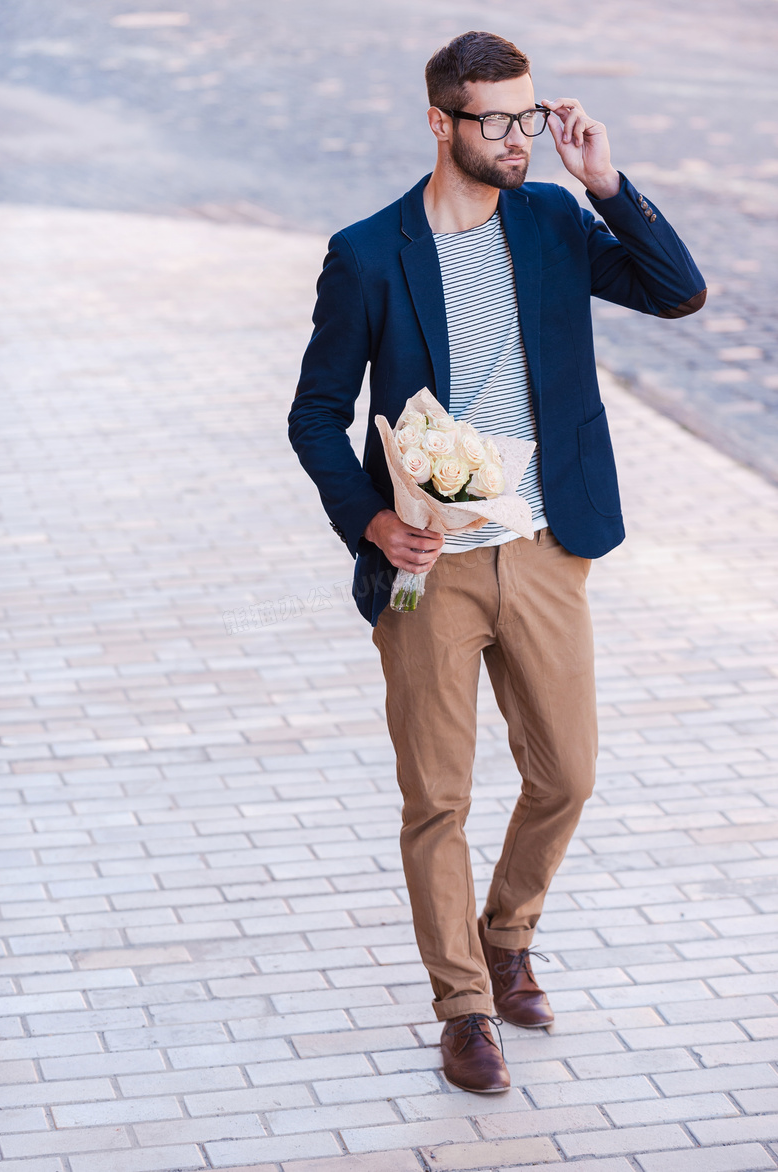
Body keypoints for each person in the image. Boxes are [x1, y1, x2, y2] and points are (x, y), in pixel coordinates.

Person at [288, 30, 705, 1094]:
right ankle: (465, 1002)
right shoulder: (371, 252)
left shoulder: (558, 219)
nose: (522, 138)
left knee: (568, 771)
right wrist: (372, 524)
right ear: (441, 122)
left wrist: (605, 180)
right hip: (430, 565)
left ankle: (507, 932)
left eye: (530, 116)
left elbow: (677, 290)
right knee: (438, 796)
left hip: (550, 544)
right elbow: (315, 414)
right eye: (498, 122)